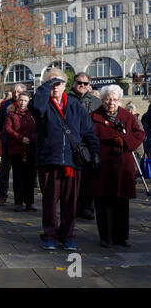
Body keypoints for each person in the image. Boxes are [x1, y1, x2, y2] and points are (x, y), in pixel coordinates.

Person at [29, 68, 100, 251]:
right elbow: (35, 107)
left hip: (72, 162)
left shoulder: (76, 106)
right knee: (50, 203)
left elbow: (89, 132)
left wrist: (95, 153)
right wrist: (46, 85)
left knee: (70, 203)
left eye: (58, 83)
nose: (55, 87)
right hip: (49, 161)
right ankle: (49, 235)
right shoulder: (43, 104)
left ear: (65, 86)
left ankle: (67, 235)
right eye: (51, 83)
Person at [89, 85, 145, 248]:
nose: (111, 102)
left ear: (119, 101)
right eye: (108, 99)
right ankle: (105, 237)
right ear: (102, 100)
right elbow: (88, 137)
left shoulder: (127, 116)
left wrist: (124, 141)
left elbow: (139, 134)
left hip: (122, 166)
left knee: (122, 202)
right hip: (102, 166)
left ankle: (121, 237)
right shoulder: (94, 116)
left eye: (114, 99)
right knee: (103, 202)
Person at [67, 72, 102, 220]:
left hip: (89, 144)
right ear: (74, 83)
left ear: (89, 85)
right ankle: (73, 207)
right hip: (71, 144)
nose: (82, 85)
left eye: (85, 83)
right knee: (72, 181)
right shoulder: (66, 99)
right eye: (79, 82)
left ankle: (87, 208)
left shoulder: (96, 102)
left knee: (89, 179)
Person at [4, 91, 37, 212]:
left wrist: (32, 138)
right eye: (21, 100)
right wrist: (20, 138)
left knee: (30, 177)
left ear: (29, 101)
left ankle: (30, 202)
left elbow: (39, 129)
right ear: (18, 100)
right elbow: (7, 129)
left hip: (31, 150)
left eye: (25, 101)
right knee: (18, 177)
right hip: (17, 150)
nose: (23, 103)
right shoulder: (11, 113)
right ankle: (18, 202)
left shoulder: (33, 114)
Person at [0, 83, 26, 206]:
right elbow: (2, 122)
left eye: (18, 92)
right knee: (4, 170)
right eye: (14, 91)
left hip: (21, 144)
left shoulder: (27, 105)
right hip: (7, 143)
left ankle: (20, 198)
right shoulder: (5, 104)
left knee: (20, 173)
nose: (15, 94)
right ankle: (2, 195)